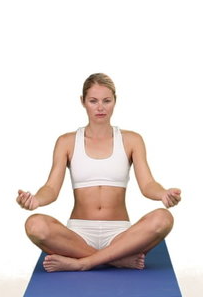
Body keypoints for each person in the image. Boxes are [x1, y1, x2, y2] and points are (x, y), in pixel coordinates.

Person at [16, 73, 181, 272]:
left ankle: (83, 262)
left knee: (164, 218)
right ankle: (115, 260)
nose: (100, 107)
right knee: (34, 225)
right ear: (83, 102)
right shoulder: (66, 142)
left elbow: (148, 185)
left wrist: (163, 194)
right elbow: (51, 188)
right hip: (78, 234)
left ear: (115, 101)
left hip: (120, 234)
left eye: (106, 101)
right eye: (93, 101)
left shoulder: (132, 140)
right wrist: (36, 200)